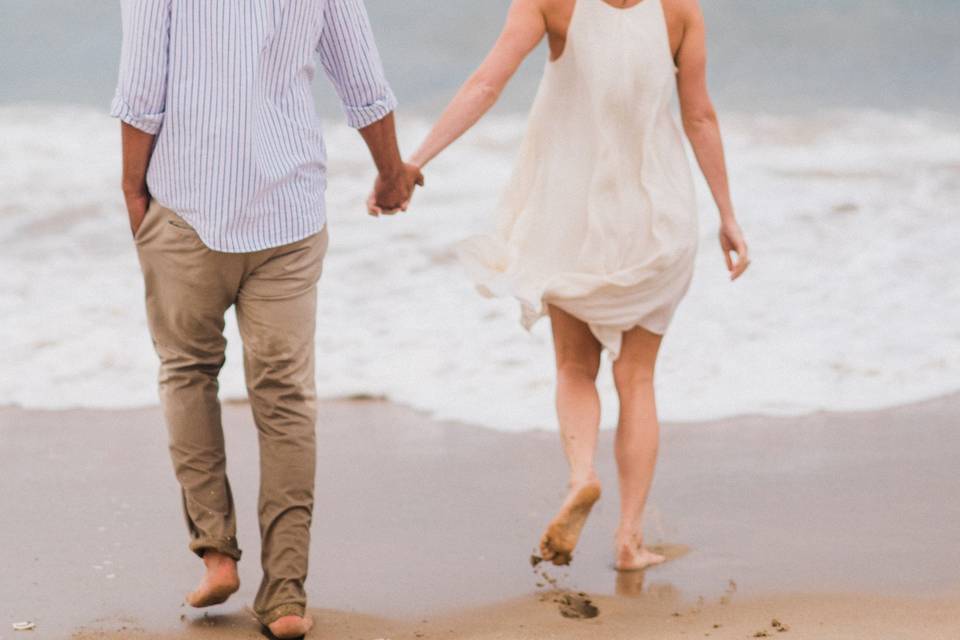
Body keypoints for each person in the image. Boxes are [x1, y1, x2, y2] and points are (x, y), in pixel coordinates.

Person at [398, 0, 749, 570]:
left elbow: (487, 82)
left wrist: (414, 162)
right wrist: (728, 215)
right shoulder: (680, 9)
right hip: (657, 216)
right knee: (636, 377)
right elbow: (700, 116)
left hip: (572, 215)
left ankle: (582, 476)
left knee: (573, 368)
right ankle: (629, 541)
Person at [111, 1, 421, 637]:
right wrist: (392, 174)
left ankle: (217, 555)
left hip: (188, 206)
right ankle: (284, 597)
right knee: (284, 398)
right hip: (289, 209)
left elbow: (142, 92)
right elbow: (362, 79)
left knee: (188, 372)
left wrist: (133, 191)